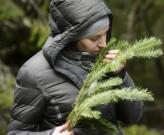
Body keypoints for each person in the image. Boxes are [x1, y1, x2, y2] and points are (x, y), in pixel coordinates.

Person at [7, 0, 143, 135]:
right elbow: (16, 132)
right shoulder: (33, 72)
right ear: (72, 37)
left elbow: (133, 117)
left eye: (106, 33)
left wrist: (121, 75)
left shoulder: (105, 60)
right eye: (94, 38)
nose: (103, 44)